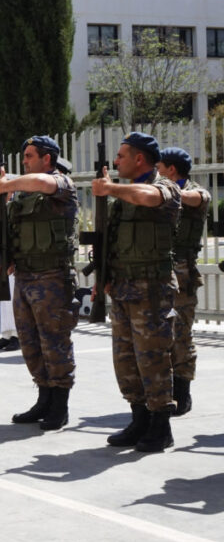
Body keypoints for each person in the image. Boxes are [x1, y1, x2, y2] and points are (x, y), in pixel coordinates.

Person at [93, 132, 181, 452]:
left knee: (152, 358)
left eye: (122, 156)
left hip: (151, 290)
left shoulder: (165, 187)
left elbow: (149, 196)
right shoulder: (122, 198)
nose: (116, 162)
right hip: (123, 288)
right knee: (126, 360)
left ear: (139, 159)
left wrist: (110, 188)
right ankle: (139, 417)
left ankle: (161, 425)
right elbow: (111, 239)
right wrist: (104, 275)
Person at [0, 136, 80, 430]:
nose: (24, 161)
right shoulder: (23, 194)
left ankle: (60, 404)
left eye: (29, 156)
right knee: (30, 344)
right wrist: (9, 259)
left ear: (47, 159)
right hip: (26, 276)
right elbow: (16, 231)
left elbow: (43, 184)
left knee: (55, 342)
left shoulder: (61, 184)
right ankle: (43, 397)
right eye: (24, 156)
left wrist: (6, 184)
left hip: (53, 277)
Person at [157, 147, 209, 416]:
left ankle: (182, 393)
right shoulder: (157, 191)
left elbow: (194, 198)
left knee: (181, 335)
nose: (158, 173)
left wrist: (165, 191)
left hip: (183, 275)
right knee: (158, 335)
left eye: (160, 168)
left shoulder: (196, 193)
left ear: (172, 169)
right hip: (158, 273)